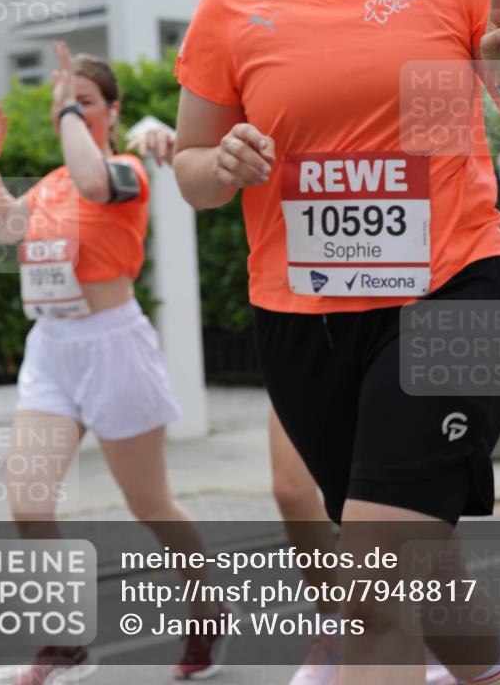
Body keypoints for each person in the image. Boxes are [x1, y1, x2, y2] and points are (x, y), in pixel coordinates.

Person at [170, 0, 500, 685]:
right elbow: (194, 176)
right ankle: (495, 680)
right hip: (304, 320)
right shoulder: (230, 2)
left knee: (372, 573)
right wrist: (220, 162)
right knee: (411, 561)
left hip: (455, 293)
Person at [130, 120, 456, 685]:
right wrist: (194, 151)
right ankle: (337, 624)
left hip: (404, 305)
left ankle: (428, 635)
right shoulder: (244, 41)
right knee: (290, 487)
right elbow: (202, 150)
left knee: (402, 499)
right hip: (309, 317)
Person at [0, 43, 234, 684]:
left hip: (114, 347)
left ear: (111, 112)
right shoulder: (53, 182)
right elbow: (6, 227)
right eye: (66, 101)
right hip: (52, 351)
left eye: (85, 103)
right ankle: (63, 644)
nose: (70, 111)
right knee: (28, 504)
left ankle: (208, 610)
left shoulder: (125, 172)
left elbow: (93, 181)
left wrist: (67, 111)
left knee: (151, 503)